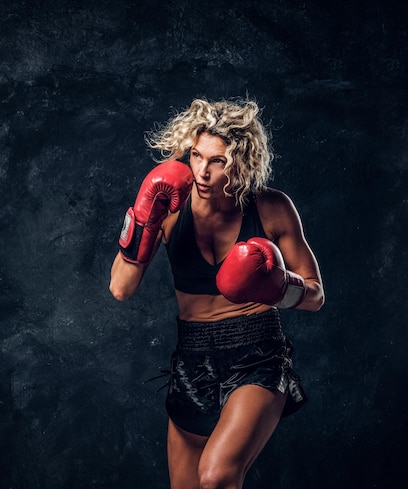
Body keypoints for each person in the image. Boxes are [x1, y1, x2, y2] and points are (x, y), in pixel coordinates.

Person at [109, 98, 325, 489]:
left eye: (218, 161)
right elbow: (121, 288)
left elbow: (315, 294)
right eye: (196, 156)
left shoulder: (271, 208)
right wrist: (144, 219)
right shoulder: (169, 208)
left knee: (217, 475)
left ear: (241, 162)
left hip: (257, 353)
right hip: (191, 358)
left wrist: (277, 288)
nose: (203, 172)